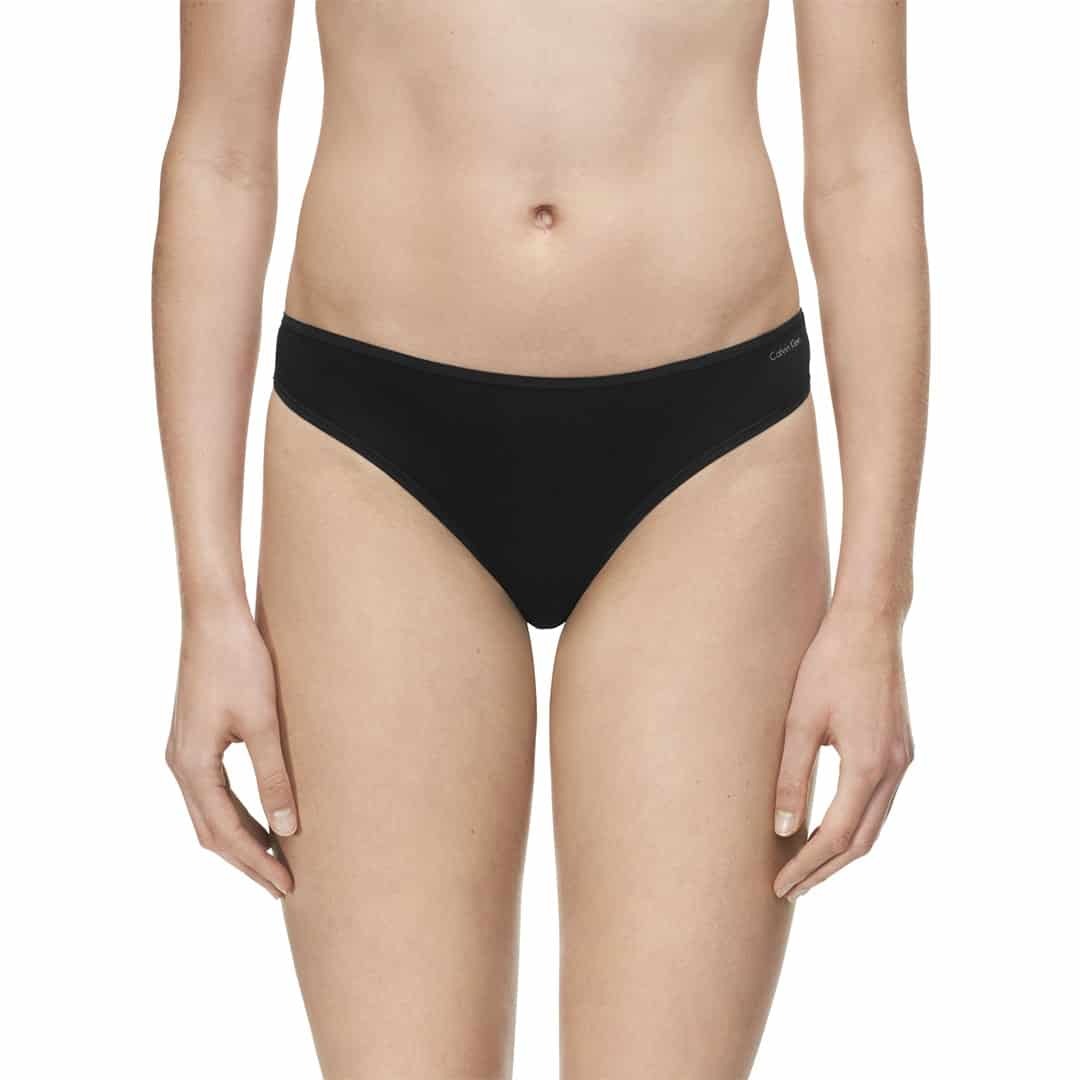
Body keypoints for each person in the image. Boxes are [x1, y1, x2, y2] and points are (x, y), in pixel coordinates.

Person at [152, 1, 927, 1076]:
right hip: (371, 461)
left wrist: (876, 607)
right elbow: (220, 157)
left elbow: (861, 161)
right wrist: (208, 606)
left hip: (713, 464)